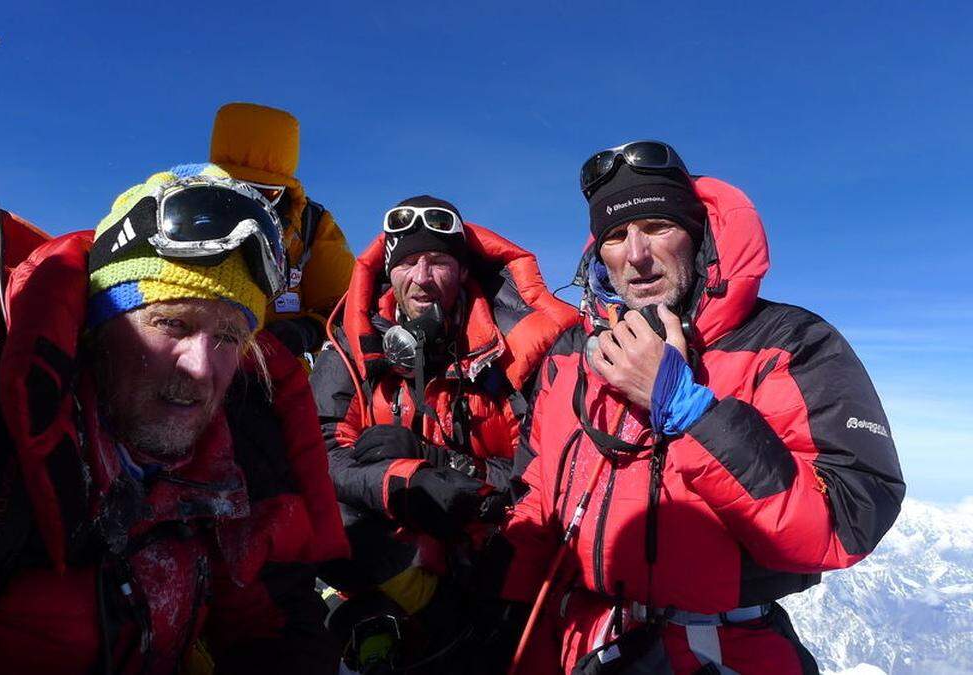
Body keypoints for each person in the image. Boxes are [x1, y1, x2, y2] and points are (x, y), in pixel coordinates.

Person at [0, 165, 348, 674]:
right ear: (102, 323)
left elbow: (268, 619)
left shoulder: (229, 451)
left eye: (227, 337)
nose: (201, 369)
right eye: (171, 324)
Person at [489, 141, 905, 674]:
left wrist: (692, 413)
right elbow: (538, 494)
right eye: (615, 236)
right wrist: (507, 601)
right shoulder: (570, 358)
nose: (636, 254)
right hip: (575, 640)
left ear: (699, 238)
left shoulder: (787, 343)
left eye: (658, 227)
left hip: (722, 649)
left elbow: (845, 520)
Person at [311, 195, 578, 672]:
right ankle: (402, 624)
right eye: (409, 262)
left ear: (461, 270)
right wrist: (403, 482)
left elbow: (547, 466)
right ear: (389, 272)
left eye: (437, 261)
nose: (421, 277)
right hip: (406, 542)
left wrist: (440, 464)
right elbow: (323, 452)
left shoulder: (522, 342)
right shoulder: (352, 345)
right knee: (324, 518)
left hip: (501, 538)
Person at [209, 101, 354, 361]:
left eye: (267, 193)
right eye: (237, 188)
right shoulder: (182, 214)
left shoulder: (311, 225)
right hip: (199, 364)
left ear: (284, 190)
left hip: (281, 376)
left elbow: (343, 306)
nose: (253, 201)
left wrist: (306, 331)